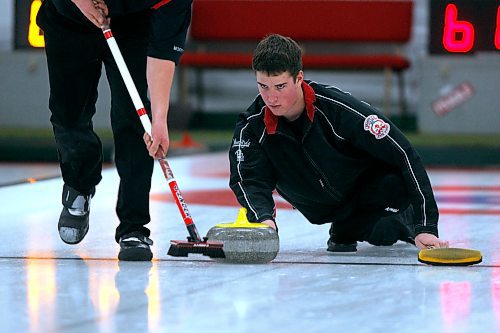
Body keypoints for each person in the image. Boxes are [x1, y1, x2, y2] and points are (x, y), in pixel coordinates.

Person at [228, 34, 449, 252]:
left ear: (299, 78)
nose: (271, 98)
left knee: (386, 228)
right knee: (379, 229)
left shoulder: (338, 109)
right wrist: (264, 221)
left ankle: (358, 228)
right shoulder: (252, 126)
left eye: (280, 86)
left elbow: (403, 153)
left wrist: (426, 226)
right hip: (318, 207)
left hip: (367, 195)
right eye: (263, 87)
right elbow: (249, 179)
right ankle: (353, 227)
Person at [36, 0, 192, 261]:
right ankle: (79, 183)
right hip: (70, 18)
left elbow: (163, 50)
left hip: (133, 25)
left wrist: (160, 119)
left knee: (136, 122)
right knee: (69, 114)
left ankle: (134, 227)